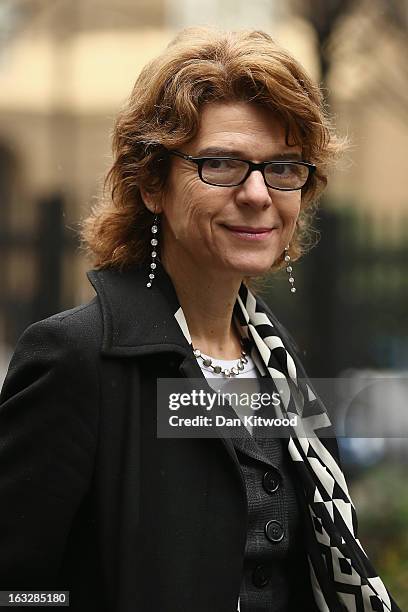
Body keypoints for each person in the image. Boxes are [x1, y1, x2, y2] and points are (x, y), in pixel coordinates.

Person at [0, 27, 400, 612]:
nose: (259, 193)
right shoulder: (76, 358)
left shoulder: (276, 362)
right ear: (153, 185)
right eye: (221, 164)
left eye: (284, 166)